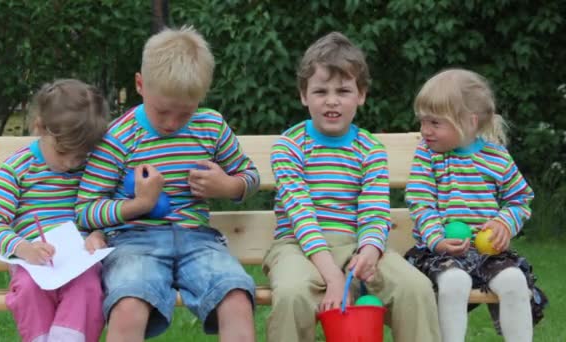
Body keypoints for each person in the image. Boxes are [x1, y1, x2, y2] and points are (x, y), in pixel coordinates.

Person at [75, 26, 260, 342]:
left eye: (185, 113)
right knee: (128, 304)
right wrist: (139, 206)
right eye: (162, 111)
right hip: (134, 242)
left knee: (236, 299)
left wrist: (227, 187)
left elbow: (250, 176)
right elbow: (86, 211)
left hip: (198, 240)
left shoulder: (211, 127)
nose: (172, 123)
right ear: (140, 85)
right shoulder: (119, 138)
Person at [263, 31, 441, 342]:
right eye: (320, 91)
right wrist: (333, 276)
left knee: (416, 287)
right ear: (304, 95)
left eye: (343, 90)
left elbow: (374, 212)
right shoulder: (289, 147)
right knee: (292, 294)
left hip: (358, 244)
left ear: (361, 95)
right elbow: (300, 215)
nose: (332, 100)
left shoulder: (369, 149)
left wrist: (370, 251)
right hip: (298, 246)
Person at [404, 68, 548, 342]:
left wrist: (504, 223)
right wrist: (437, 240)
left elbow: (520, 199)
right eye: (422, 121)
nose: (425, 131)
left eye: (435, 123)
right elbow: (421, 202)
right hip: (440, 254)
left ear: (469, 122)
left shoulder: (496, 157)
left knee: (515, 282)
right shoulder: (428, 156)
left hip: (488, 254)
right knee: (454, 282)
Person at [0, 79, 110, 342]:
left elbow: (102, 208)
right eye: (63, 152)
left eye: (80, 154)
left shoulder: (89, 168)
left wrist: (98, 233)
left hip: (79, 264)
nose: (71, 162)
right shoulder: (18, 168)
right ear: (40, 128)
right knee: (29, 289)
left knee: (87, 288)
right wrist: (23, 247)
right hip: (32, 264)